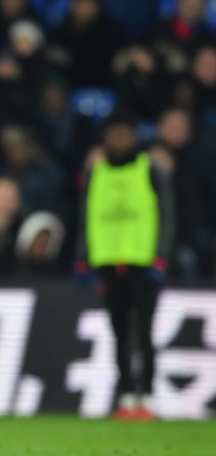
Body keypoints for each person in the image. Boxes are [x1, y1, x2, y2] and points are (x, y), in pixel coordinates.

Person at [75, 113, 176, 421]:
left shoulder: (151, 170)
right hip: (108, 262)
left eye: (125, 133)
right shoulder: (96, 172)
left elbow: (168, 215)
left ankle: (148, 395)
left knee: (144, 332)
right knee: (118, 332)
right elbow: (86, 215)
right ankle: (127, 395)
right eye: (114, 133)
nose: (119, 139)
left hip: (143, 263)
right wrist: (83, 257)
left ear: (134, 137)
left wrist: (161, 256)